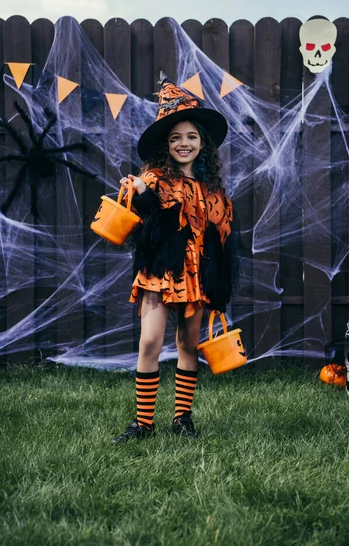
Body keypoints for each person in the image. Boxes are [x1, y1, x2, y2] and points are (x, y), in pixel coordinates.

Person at [111, 76, 238, 443]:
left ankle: (182, 418)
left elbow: (220, 235)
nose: (184, 143)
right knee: (150, 342)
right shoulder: (154, 178)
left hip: (196, 274)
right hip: (160, 270)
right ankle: (143, 424)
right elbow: (150, 215)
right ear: (167, 145)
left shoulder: (211, 189)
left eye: (192, 137)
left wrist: (217, 278)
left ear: (203, 144)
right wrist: (138, 191)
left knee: (187, 343)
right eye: (176, 138)